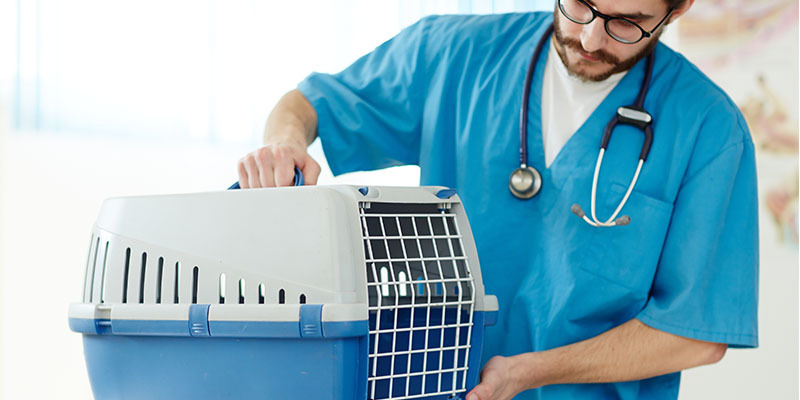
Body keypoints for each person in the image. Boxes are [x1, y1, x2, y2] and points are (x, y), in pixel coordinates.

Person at [236, 0, 759, 398]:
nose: (590, 37)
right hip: (428, 383)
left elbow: (695, 333)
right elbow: (311, 104)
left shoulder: (710, 129)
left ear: (679, 8)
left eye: (627, 22)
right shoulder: (455, 53)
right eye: (579, 4)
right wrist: (284, 143)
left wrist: (528, 372)